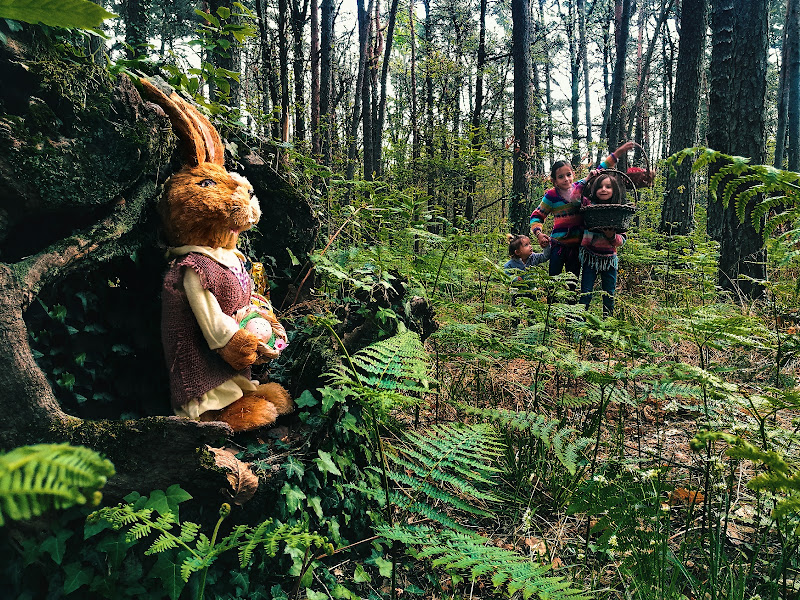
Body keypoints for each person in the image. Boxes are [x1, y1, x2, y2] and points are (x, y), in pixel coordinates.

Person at [529, 142, 635, 295]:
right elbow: (537, 215)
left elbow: (602, 167)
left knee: (571, 283)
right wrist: (539, 234)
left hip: (576, 247)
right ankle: (551, 311)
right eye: (560, 177)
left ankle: (570, 314)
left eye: (568, 175)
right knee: (553, 282)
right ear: (554, 180)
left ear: (573, 174)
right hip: (557, 246)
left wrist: (619, 152)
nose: (566, 179)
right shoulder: (551, 196)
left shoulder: (581, 187)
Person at [579, 173, 626, 317]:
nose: (603, 189)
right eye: (599, 186)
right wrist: (587, 179)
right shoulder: (588, 206)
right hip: (590, 257)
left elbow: (622, 239)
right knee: (585, 293)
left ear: (614, 191)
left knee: (609, 295)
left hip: (609, 260)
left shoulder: (618, 212)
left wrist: (611, 236)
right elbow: (576, 193)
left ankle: (608, 325)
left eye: (608, 187)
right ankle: (579, 327)